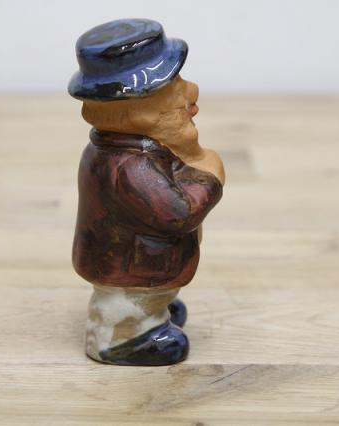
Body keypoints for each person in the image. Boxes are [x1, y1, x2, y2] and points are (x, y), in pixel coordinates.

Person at [69, 18, 224, 365]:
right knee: (122, 306)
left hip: (141, 266)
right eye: (174, 86)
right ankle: (119, 341)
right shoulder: (128, 167)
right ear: (137, 109)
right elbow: (180, 213)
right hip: (131, 272)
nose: (191, 91)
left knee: (142, 300)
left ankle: (154, 311)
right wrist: (209, 174)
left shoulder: (134, 151)